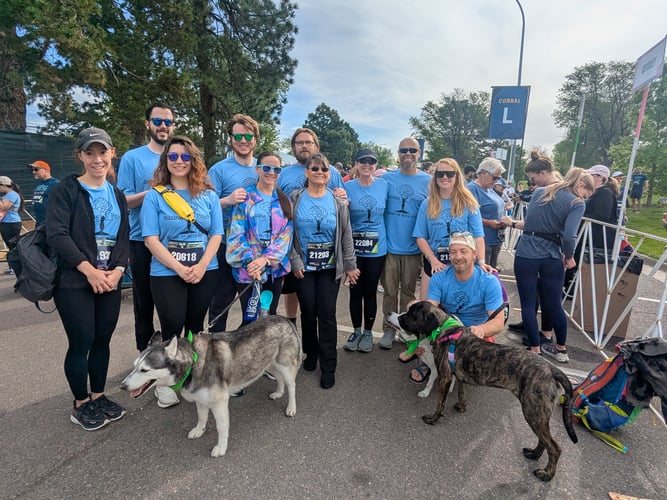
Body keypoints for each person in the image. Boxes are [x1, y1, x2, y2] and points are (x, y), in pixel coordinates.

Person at [45, 127, 130, 431]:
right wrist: (88, 269)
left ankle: (98, 395)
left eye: (103, 152)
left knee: (102, 341)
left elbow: (123, 236)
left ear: (112, 153)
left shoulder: (116, 193)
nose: (98, 159)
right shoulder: (66, 191)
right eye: (90, 153)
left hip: (110, 279)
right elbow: (57, 234)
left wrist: (118, 270)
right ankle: (81, 403)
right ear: (80, 155)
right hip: (75, 281)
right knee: (82, 341)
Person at [142, 135, 223, 407]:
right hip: (167, 273)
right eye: (173, 156)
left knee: (195, 327)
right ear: (166, 161)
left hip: (204, 270)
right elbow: (150, 238)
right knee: (172, 327)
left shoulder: (209, 195)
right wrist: (178, 267)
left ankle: (191, 374)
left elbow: (216, 235)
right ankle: (164, 383)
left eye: (184, 156)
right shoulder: (155, 195)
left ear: (193, 160)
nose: (179, 161)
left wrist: (200, 266)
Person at [507, 168, 594, 363]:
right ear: (581, 186)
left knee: (528, 304)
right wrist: (569, 257)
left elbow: (529, 221)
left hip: (526, 251)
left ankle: (535, 350)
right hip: (552, 254)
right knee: (555, 303)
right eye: (587, 194)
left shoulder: (540, 192)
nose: (586, 198)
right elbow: (570, 235)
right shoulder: (576, 202)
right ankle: (561, 349)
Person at [289, 153, 359, 389]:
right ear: (307, 172)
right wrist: (295, 259)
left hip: (329, 268)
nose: (320, 172)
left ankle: (329, 366)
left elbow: (346, 235)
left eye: (324, 169)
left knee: (327, 315)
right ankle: (311, 353)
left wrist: (350, 266)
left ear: (330, 174)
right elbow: (285, 232)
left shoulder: (338, 202)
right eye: (315, 169)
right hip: (304, 269)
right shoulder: (295, 198)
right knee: (308, 312)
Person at [117, 102, 176, 352]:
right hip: (142, 241)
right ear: (148, 124)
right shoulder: (133, 158)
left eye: (168, 122)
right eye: (158, 121)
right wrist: (152, 191)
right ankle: (144, 355)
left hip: (174, 242)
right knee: (144, 303)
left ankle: (173, 355)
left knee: (172, 304)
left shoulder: (180, 156)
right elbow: (123, 202)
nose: (163, 126)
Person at [408, 231, 505, 382]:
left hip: (475, 331)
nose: (458, 257)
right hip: (449, 328)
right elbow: (428, 312)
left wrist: (481, 329)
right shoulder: (439, 277)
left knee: (475, 370)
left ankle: (452, 363)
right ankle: (428, 360)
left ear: (474, 254)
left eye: (463, 251)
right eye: (453, 252)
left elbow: (499, 323)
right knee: (414, 307)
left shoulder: (488, 281)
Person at [278, 127, 347, 326]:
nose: (304, 146)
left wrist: (344, 198)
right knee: (292, 290)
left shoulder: (330, 170)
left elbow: (342, 199)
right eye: (300, 143)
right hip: (293, 242)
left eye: (309, 142)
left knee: (320, 307)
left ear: (316, 146)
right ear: (293, 147)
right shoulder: (285, 174)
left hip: (324, 246)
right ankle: (291, 325)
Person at [226, 151, 293, 325]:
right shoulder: (245, 198)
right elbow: (236, 232)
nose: (271, 172)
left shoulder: (284, 201)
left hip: (274, 270)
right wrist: (251, 262)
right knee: (250, 321)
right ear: (257, 169)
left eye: (276, 169)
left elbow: (286, 236)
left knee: (268, 318)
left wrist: (265, 260)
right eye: (266, 167)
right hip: (247, 270)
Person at [207, 114, 260, 332]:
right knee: (219, 305)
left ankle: (245, 358)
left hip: (254, 250)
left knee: (252, 308)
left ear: (255, 138)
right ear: (231, 139)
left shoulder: (263, 168)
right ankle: (215, 355)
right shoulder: (219, 170)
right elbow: (205, 208)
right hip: (224, 247)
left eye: (248, 135)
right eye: (237, 135)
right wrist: (227, 200)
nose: (243, 140)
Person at [379, 138, 431, 349]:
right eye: (403, 150)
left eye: (412, 150)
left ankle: (407, 331)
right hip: (389, 247)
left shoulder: (428, 181)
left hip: (413, 249)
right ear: (398, 153)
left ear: (419, 153)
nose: (407, 154)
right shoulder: (386, 179)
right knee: (389, 292)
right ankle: (388, 330)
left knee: (409, 294)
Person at [412, 158, 484, 308]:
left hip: (462, 265)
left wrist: (481, 262)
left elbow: (478, 235)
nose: (445, 177)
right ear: (435, 176)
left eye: (449, 173)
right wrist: (433, 260)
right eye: (440, 173)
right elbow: (420, 236)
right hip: (434, 265)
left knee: (458, 310)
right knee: (427, 311)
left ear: (457, 176)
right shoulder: (428, 203)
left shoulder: (468, 203)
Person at [343, 149, 388, 353]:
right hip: (354, 249)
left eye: (371, 162)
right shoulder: (347, 187)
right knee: (355, 292)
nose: (367, 165)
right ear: (356, 164)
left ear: (376, 165)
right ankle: (356, 330)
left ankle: (369, 332)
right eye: (363, 161)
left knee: (370, 292)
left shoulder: (384, 186)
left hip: (377, 250)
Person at [467, 158, 506, 269]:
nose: (496, 181)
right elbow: (466, 216)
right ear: (483, 173)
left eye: (499, 178)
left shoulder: (489, 189)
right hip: (482, 242)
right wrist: (488, 222)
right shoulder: (471, 190)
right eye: (495, 177)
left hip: (494, 241)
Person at [583, 165, 619, 249]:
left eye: (590, 175)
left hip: (598, 239)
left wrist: (580, 215)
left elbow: (602, 215)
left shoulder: (605, 193)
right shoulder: (599, 192)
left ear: (599, 177)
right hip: (592, 236)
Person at [0, 176, 24, 274]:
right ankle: (12, 266)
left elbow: (5, 207)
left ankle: (18, 266)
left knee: (13, 245)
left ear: (4, 185)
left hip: (12, 223)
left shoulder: (12, 195)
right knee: (10, 246)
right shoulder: (7, 195)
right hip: (5, 222)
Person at [27, 160, 59, 225]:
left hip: (50, 223)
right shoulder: (40, 184)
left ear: (46, 170)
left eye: (36, 169)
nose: (33, 172)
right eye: (32, 170)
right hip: (39, 221)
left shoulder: (55, 184)